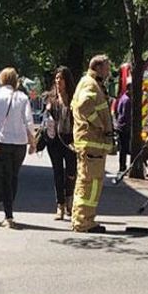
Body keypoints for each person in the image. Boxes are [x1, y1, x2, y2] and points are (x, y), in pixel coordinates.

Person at [71, 54, 114, 233]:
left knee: (88, 182)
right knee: (89, 183)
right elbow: (84, 106)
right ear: (97, 67)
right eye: (107, 67)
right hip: (92, 142)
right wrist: (101, 125)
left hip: (92, 143)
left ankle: (83, 219)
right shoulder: (90, 83)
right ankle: (84, 221)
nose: (109, 71)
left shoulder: (89, 82)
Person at [0, 67, 35, 230]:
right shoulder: (23, 97)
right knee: (13, 177)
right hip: (19, 143)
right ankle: (9, 211)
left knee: (4, 177)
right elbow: (29, 121)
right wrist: (32, 141)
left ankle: (8, 214)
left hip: (2, 140)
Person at [44, 66, 77, 220]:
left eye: (61, 78)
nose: (58, 81)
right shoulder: (51, 98)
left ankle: (70, 200)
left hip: (71, 140)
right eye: (57, 78)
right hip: (55, 140)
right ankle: (60, 206)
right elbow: (46, 121)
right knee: (57, 172)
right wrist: (48, 110)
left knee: (71, 172)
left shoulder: (74, 99)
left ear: (67, 80)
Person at [114, 80, 131, 172]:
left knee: (122, 149)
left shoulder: (122, 98)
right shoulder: (127, 100)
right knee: (124, 148)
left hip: (120, 126)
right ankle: (122, 166)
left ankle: (122, 166)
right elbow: (126, 115)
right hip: (124, 127)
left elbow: (118, 112)